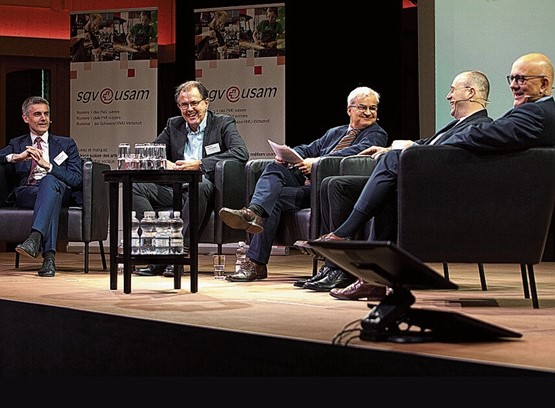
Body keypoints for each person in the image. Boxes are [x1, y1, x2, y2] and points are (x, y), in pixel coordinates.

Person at [306, 52, 555, 298]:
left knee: (393, 163)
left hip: (474, 202)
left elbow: (480, 135)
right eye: (511, 78)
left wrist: (417, 150)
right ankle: (374, 276)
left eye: (522, 79)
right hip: (477, 195)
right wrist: (414, 146)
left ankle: (346, 237)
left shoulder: (535, 115)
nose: (514, 85)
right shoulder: (535, 114)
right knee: (385, 187)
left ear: (545, 83)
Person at [298, 70, 493, 296]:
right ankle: (362, 273)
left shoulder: (480, 126)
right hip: (412, 187)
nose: (448, 96)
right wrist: (390, 148)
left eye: (452, 90)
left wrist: (399, 152)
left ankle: (344, 236)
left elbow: (443, 156)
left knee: (391, 166)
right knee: (337, 184)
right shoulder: (457, 124)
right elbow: (427, 143)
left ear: (470, 92)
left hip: (437, 198)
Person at [218, 86, 389, 283]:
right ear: (349, 109)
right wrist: (287, 154)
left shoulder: (376, 134)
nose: (368, 112)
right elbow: (308, 148)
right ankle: (255, 217)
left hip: (328, 189)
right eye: (362, 107)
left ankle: (254, 242)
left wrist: (317, 162)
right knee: (274, 172)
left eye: (373, 108)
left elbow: (354, 153)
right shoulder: (336, 132)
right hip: (307, 185)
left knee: (273, 198)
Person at [132, 80, 249, 277]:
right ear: (179, 107)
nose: (190, 109)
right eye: (184, 105)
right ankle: (157, 253)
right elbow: (152, 152)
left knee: (200, 185)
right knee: (136, 187)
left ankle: (179, 252)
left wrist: (200, 164)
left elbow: (240, 152)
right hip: (176, 189)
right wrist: (163, 162)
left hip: (207, 189)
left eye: (194, 103)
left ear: (206, 103)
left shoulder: (223, 123)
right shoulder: (174, 125)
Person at [0, 96, 83, 277]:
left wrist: (50, 167)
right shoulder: (17, 143)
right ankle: (49, 259)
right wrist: (16, 157)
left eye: (46, 114)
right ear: (25, 118)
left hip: (59, 190)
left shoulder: (66, 144)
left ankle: (35, 239)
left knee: (49, 181)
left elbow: (76, 179)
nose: (43, 118)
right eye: (37, 114)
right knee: (49, 196)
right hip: (28, 192)